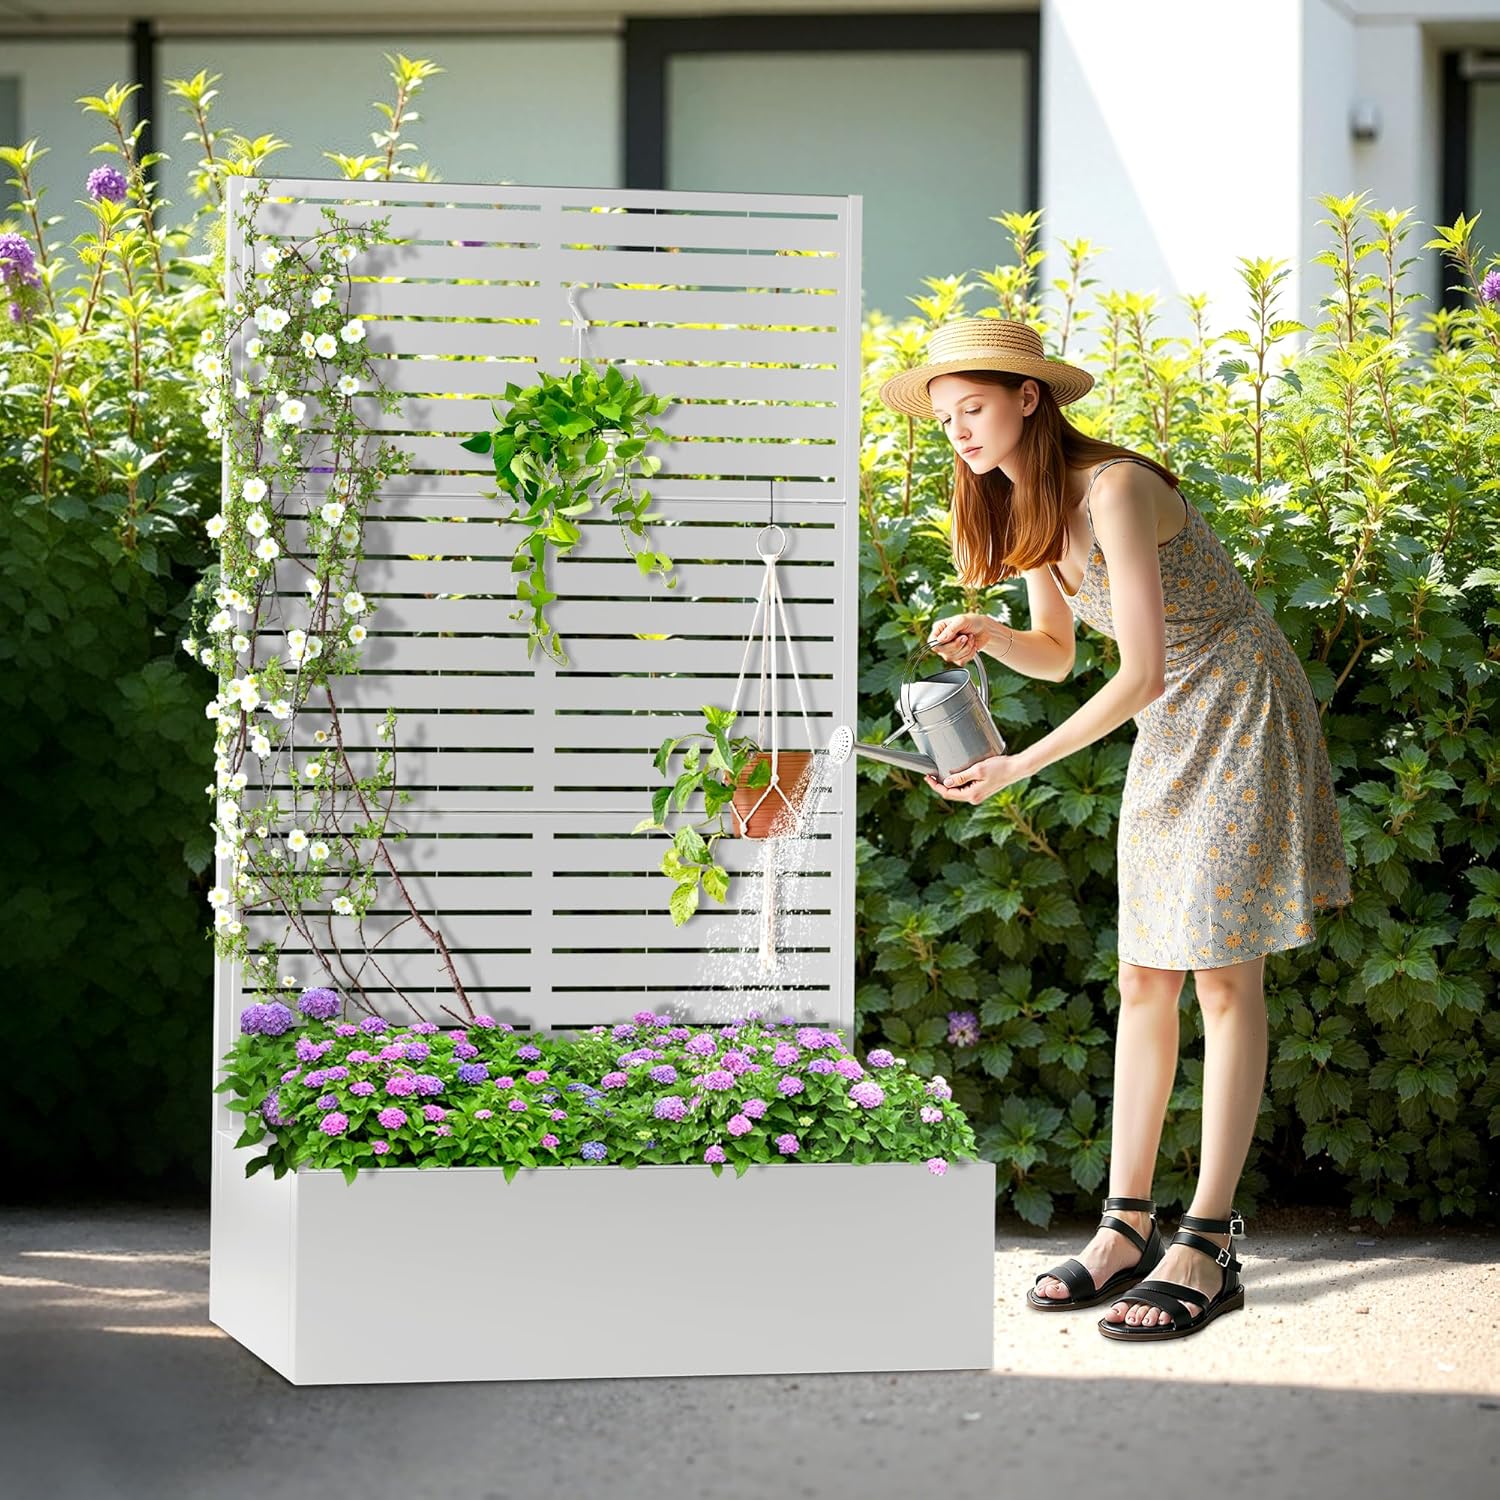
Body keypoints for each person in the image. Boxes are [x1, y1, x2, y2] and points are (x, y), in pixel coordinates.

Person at [876, 317, 1352, 1341]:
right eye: (945, 418)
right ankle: (1126, 1226)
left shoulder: (1117, 488)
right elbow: (1057, 655)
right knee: (1144, 976)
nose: (959, 431)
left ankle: (1208, 1241)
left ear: (1029, 397)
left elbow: (1140, 669)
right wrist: (995, 634)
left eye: (973, 408)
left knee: (1223, 977)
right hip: (1171, 725)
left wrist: (1017, 767)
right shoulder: (1025, 503)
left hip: (1239, 704)